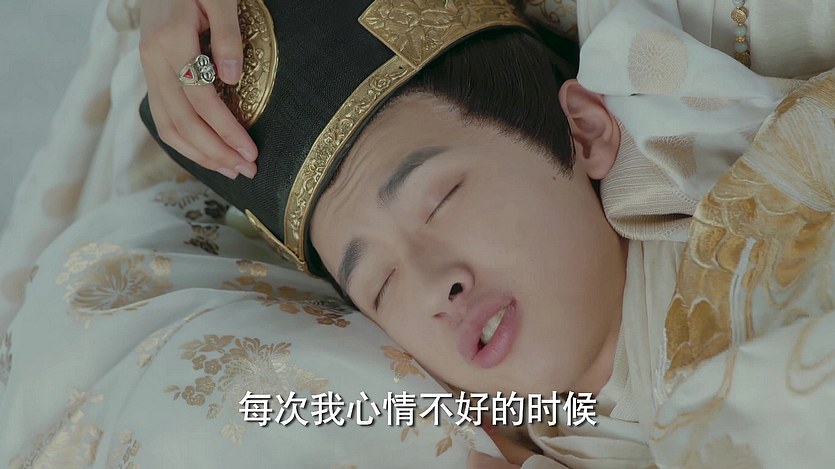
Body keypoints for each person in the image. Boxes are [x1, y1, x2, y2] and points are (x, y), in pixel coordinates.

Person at [136, 0, 835, 467]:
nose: (434, 283)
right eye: (379, 282)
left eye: (440, 200)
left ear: (582, 130)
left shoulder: (788, 224)